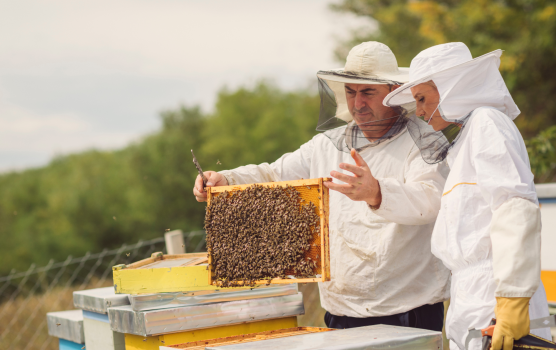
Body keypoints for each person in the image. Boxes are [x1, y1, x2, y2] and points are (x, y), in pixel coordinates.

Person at [193, 41, 451, 331]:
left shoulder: (424, 142)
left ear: (393, 92)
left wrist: (377, 193)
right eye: (350, 92)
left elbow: (433, 201)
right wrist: (226, 179)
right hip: (340, 312)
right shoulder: (327, 145)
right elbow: (274, 174)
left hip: (407, 311)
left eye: (367, 92)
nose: (357, 103)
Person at [383, 42, 552, 349]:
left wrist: (512, 299)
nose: (419, 111)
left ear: (450, 88)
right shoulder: (467, 138)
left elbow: (514, 208)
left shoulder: (488, 123)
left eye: (421, 98)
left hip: (494, 294)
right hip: (470, 295)